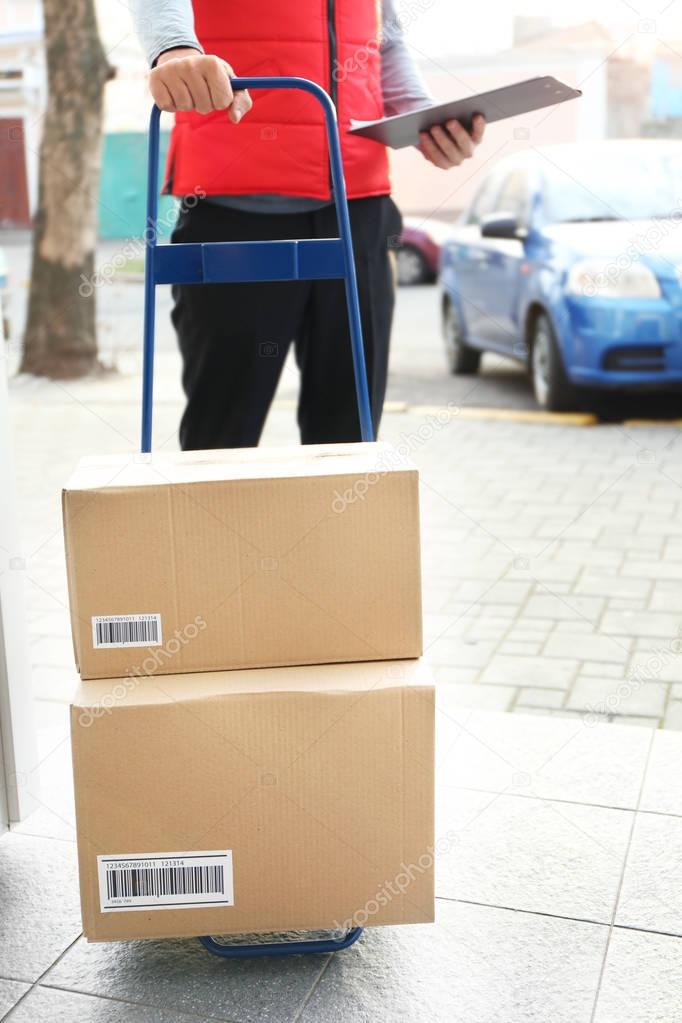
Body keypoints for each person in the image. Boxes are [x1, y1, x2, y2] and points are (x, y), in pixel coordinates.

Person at [133, 0, 485, 449]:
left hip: (359, 210)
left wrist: (425, 118)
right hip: (237, 213)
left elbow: (383, 40)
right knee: (219, 440)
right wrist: (173, 49)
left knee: (350, 439)